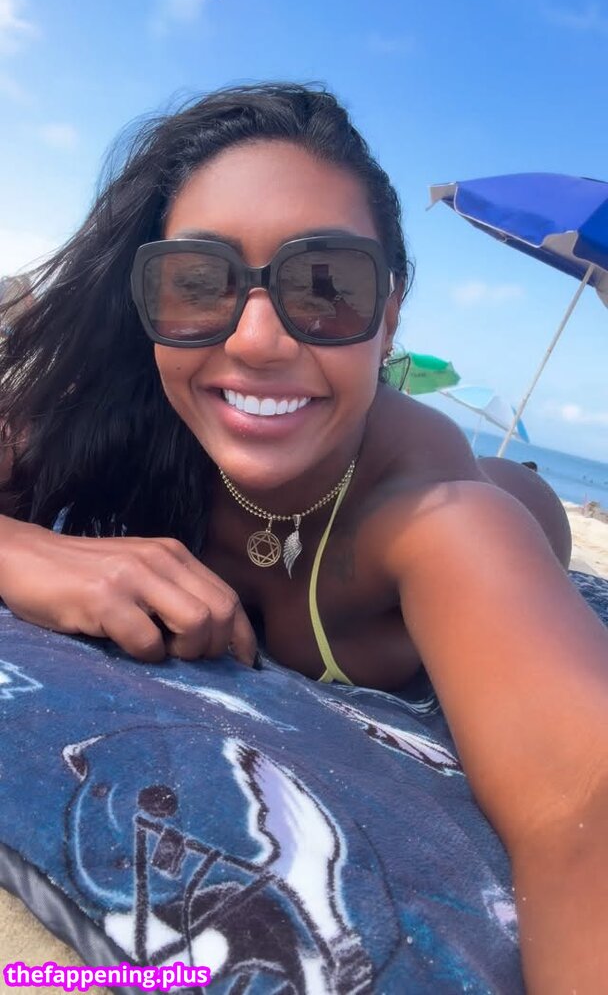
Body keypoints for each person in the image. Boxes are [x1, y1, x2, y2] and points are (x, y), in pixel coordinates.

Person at [0, 83, 605, 992]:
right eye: (197, 281)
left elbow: (583, 808)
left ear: (389, 316)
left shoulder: (442, 524)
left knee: (505, 498)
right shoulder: (116, 419)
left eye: (325, 286)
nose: (256, 340)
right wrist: (21, 550)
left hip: (513, 503)